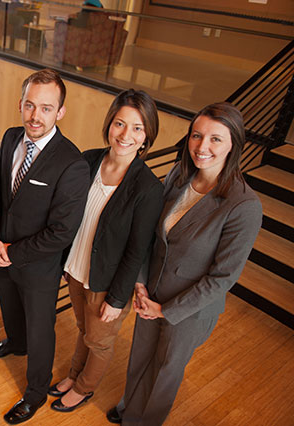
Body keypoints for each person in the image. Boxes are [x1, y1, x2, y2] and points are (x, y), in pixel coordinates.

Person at [107, 102, 263, 425]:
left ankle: (141, 421)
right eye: (197, 135)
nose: (202, 147)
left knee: (165, 370)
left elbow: (222, 278)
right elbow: (150, 232)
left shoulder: (244, 205)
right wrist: (140, 282)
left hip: (189, 309)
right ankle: (128, 407)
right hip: (150, 291)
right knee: (140, 357)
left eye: (215, 139)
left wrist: (165, 310)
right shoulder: (179, 174)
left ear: (233, 143)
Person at [0, 69, 90, 424]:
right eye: (30, 105)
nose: (35, 116)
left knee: (41, 330)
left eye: (46, 108)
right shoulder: (12, 137)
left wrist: (11, 251)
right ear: (20, 104)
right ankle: (15, 342)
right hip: (1, 253)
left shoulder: (71, 163)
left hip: (39, 266)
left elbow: (61, 232)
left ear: (60, 112)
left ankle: (36, 393)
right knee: (10, 309)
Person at [48, 89, 163, 413]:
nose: (126, 135)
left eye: (137, 128)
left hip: (106, 281)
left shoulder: (148, 188)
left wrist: (116, 298)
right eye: (119, 124)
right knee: (84, 331)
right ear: (109, 124)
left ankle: (84, 388)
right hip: (76, 268)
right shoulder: (88, 160)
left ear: (147, 136)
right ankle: (73, 375)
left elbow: (137, 251)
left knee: (99, 341)